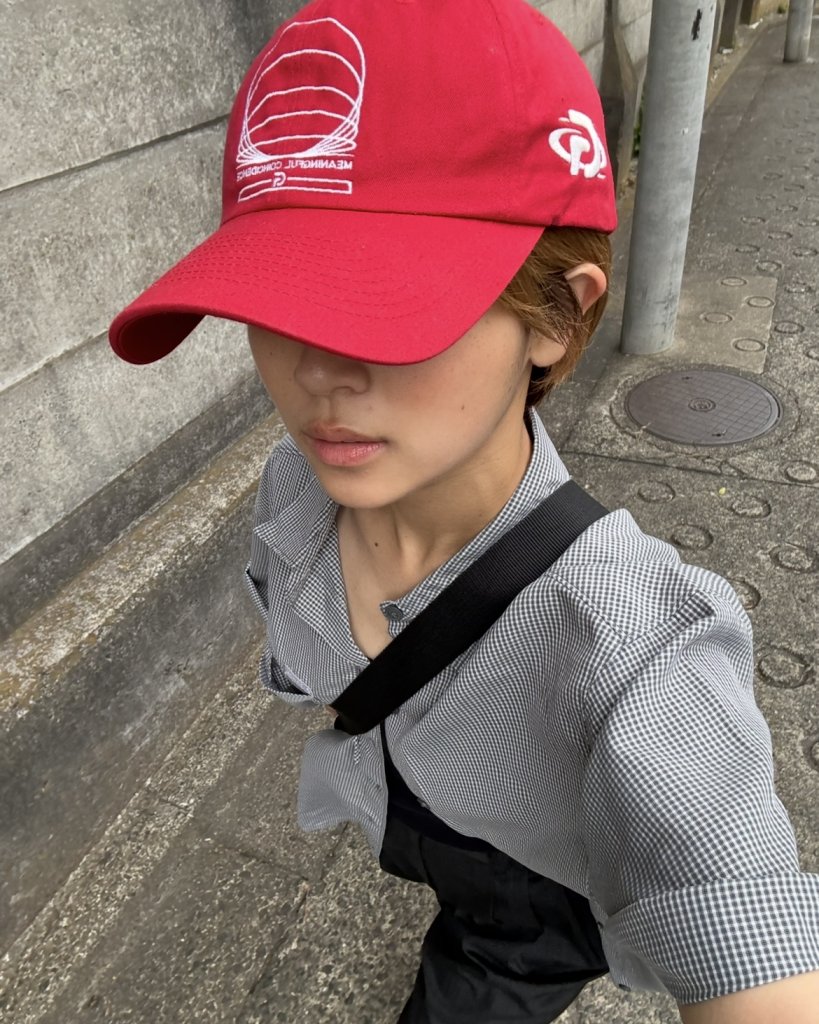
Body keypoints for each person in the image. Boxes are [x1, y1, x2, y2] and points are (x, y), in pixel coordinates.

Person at [108, 1, 819, 1021]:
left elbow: (753, 945)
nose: (316, 373)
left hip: (538, 898)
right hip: (411, 812)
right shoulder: (295, 488)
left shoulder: (637, 647)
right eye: (277, 298)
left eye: (390, 305)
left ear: (557, 314)